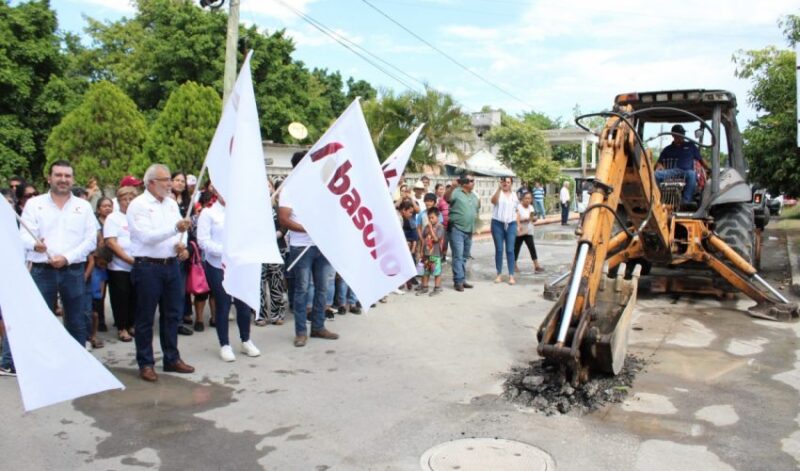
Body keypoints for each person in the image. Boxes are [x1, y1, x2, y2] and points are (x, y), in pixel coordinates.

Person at [127, 163, 195, 382]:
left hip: (171, 265)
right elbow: (146, 236)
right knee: (145, 317)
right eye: (165, 180)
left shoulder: (171, 203)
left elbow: (178, 232)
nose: (170, 184)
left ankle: (171, 358)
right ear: (151, 182)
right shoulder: (138, 205)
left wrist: (181, 244)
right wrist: (176, 229)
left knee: (172, 314)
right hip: (148, 267)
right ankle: (146, 363)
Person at [20, 160, 97, 347]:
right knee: (40, 319)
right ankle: (44, 365)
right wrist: (35, 245)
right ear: (49, 178)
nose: (63, 179)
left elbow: (91, 240)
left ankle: (77, 362)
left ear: (73, 179)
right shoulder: (34, 204)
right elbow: (23, 235)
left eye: (67, 176)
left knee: (76, 320)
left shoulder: (83, 206)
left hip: (73, 270)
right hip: (42, 271)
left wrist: (66, 258)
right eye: (58, 175)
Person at [279, 151, 339, 348]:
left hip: (322, 247)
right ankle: (300, 332)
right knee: (302, 290)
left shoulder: (320, 188)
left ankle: (318, 326)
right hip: (301, 247)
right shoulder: (289, 189)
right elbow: (284, 219)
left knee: (322, 288)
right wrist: (308, 229)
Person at [197, 185, 261, 362]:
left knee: (243, 304)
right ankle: (224, 344)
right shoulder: (208, 214)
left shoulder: (241, 214)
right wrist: (226, 251)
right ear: (216, 193)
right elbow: (203, 242)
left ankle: (246, 340)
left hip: (239, 265)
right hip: (218, 264)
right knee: (223, 305)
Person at [104, 186, 138, 342]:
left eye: (132, 198)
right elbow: (111, 242)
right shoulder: (113, 218)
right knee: (121, 297)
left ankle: (132, 324)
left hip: (138, 265)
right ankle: (122, 327)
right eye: (125, 199)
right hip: (119, 266)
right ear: (119, 201)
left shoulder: (138, 217)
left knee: (135, 297)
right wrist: (128, 259)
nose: (128, 202)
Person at [655, 124, 707, 204]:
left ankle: (686, 201)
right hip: (672, 172)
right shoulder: (667, 149)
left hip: (687, 172)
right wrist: (659, 167)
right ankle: (657, 199)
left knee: (692, 174)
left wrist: (709, 169)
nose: (682, 135)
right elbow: (659, 163)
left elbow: (701, 160)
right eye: (680, 133)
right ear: (673, 135)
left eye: (683, 133)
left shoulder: (690, 146)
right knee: (655, 175)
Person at [445, 174, 480, 292]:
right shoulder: (456, 192)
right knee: (458, 256)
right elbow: (446, 198)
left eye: (473, 180)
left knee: (465, 256)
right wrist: (451, 187)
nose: (472, 182)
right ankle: (458, 281)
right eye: (470, 181)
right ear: (463, 182)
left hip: (469, 230)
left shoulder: (474, 196)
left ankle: (462, 279)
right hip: (457, 229)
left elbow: (476, 210)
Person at [490, 176, 519, 285]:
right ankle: (499, 274)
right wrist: (498, 188)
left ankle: (511, 275)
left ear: (511, 183)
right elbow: (493, 201)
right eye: (504, 182)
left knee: (510, 250)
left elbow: (517, 210)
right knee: (499, 249)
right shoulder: (498, 192)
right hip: (498, 223)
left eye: (508, 182)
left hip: (511, 224)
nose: (506, 184)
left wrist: (518, 224)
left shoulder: (514, 195)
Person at [515, 192, 545, 274]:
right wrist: (523, 220)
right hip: (520, 231)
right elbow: (516, 219)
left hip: (528, 231)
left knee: (532, 248)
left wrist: (534, 219)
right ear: (522, 199)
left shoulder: (531, 207)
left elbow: (532, 218)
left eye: (529, 198)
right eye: (526, 198)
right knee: (516, 249)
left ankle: (536, 266)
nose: (528, 200)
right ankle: (514, 265)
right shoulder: (519, 207)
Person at [418, 207, 444, 296]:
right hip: (426, 253)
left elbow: (436, 239)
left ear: (438, 217)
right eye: (429, 218)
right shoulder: (426, 227)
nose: (430, 220)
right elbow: (424, 239)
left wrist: (431, 229)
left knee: (436, 272)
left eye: (432, 217)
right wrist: (421, 251)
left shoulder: (440, 227)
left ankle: (437, 288)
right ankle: (425, 287)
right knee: (426, 271)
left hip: (435, 254)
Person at [435, 183, 450, 263]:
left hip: (449, 225)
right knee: (442, 242)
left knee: (446, 242)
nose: (442, 191)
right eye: (440, 189)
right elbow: (437, 212)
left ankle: (443, 256)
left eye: (443, 189)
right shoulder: (439, 200)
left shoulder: (450, 199)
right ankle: (440, 256)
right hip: (441, 225)